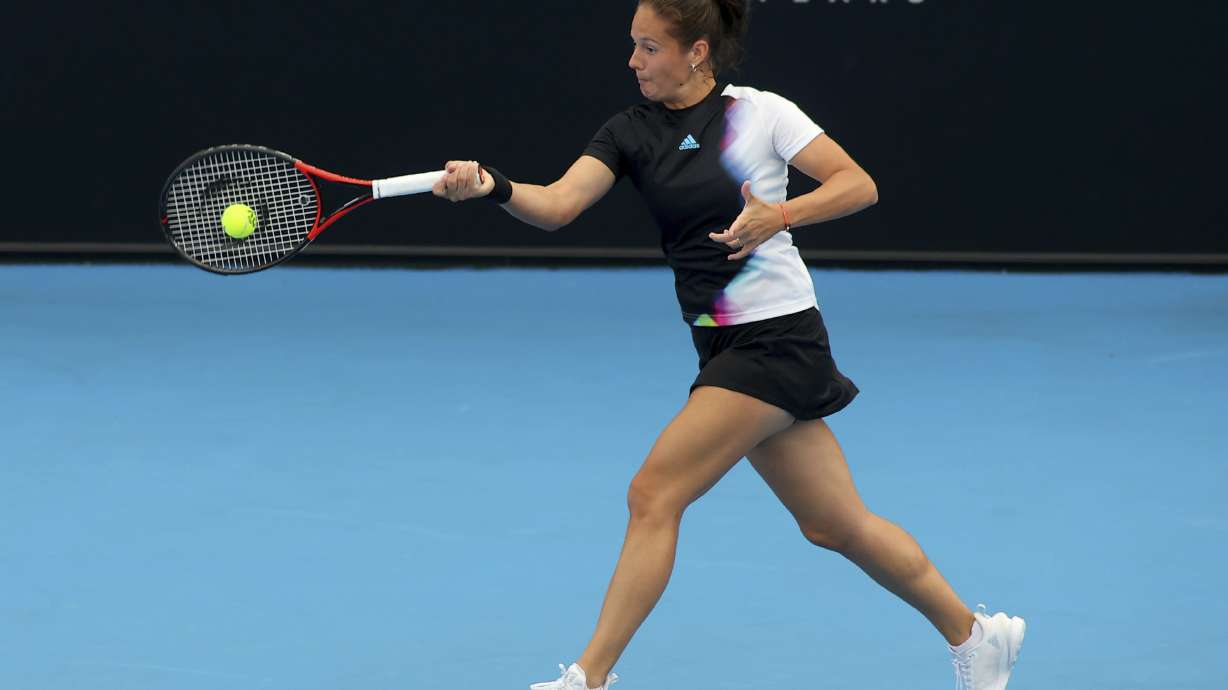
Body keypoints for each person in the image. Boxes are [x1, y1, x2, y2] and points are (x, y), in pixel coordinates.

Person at [431, 2, 1025, 688]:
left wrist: (781, 215)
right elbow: (558, 205)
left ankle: (587, 679)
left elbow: (857, 185)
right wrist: (493, 186)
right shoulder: (628, 131)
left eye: (649, 47)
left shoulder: (761, 113)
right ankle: (977, 636)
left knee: (654, 493)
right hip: (721, 343)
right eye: (633, 45)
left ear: (697, 52)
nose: (633, 61)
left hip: (776, 339)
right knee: (835, 525)